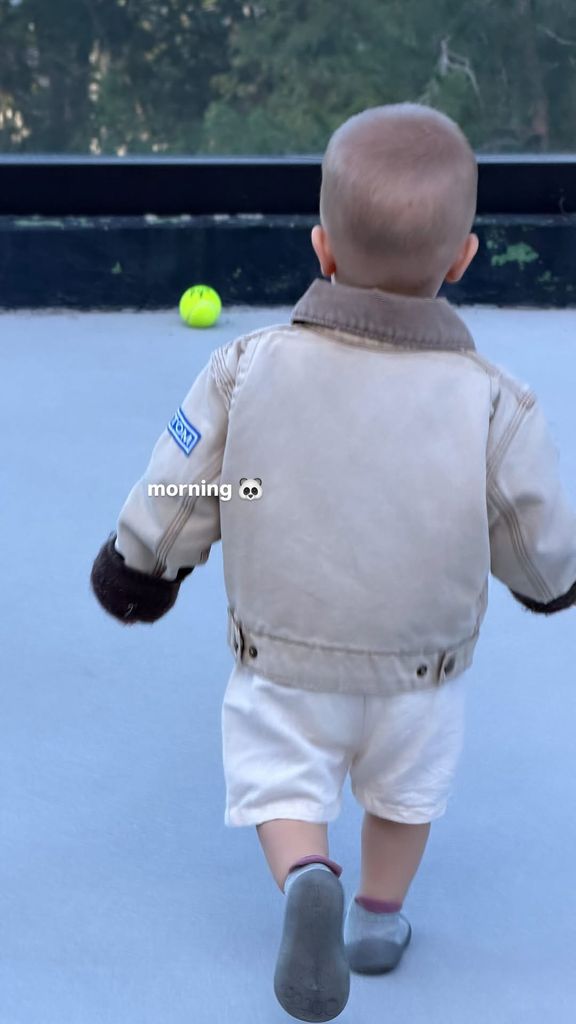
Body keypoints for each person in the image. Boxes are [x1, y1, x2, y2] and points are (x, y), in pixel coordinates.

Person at [90, 103, 576, 1023]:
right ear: (463, 260)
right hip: (419, 667)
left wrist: (141, 565)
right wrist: (552, 582)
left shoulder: (245, 367)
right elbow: (535, 526)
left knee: (281, 778)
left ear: (322, 247)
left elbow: (194, 486)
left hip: (283, 654)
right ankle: (381, 919)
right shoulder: (493, 404)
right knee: (403, 793)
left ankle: (306, 871)